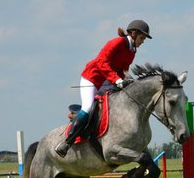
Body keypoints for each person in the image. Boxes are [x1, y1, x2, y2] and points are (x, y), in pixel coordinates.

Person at [54, 19, 152, 157]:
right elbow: (101, 62)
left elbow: (122, 69)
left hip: (107, 81)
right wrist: (117, 80)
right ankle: (66, 142)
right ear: (134, 34)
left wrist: (126, 80)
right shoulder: (117, 42)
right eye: (142, 38)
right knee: (88, 107)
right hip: (92, 78)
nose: (143, 41)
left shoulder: (132, 51)